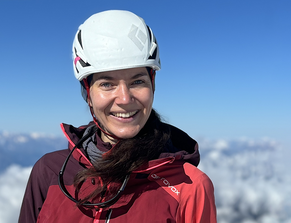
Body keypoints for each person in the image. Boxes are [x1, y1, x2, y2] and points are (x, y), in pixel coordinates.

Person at [19, 10, 217, 223]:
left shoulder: (190, 187)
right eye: (106, 84)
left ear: (153, 85)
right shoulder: (49, 172)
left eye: (137, 81)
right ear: (88, 94)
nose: (124, 98)